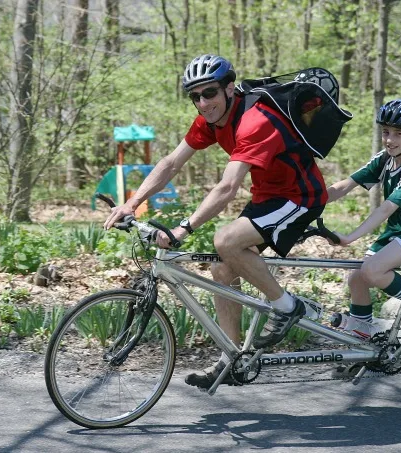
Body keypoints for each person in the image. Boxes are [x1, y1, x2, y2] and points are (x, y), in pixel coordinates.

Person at [104, 54, 332, 389]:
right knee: (221, 272)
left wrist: (185, 227)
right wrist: (132, 203)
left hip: (300, 198)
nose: (202, 102)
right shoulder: (211, 121)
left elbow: (227, 187)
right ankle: (231, 359)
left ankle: (287, 307)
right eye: (194, 96)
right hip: (267, 198)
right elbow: (170, 163)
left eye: (209, 92)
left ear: (229, 89)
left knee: (225, 241)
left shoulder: (256, 121)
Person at [325, 98, 401, 341]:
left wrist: (349, 238)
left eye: (399, 134)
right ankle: (362, 338)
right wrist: (306, 201)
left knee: (372, 271)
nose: (390, 139)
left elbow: (385, 210)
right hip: (400, 230)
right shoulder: (386, 159)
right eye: (386, 132)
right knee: (357, 279)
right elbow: (343, 186)